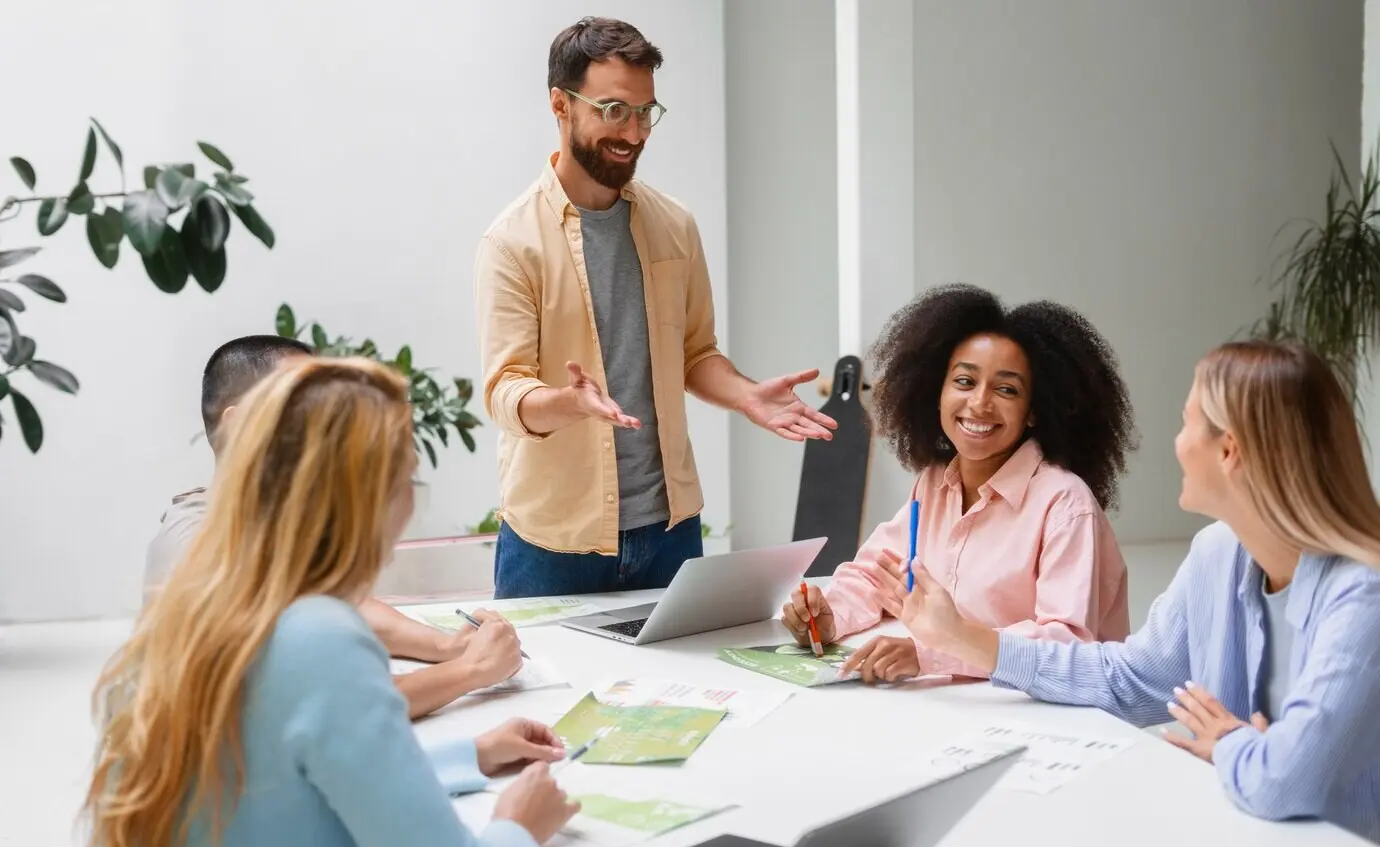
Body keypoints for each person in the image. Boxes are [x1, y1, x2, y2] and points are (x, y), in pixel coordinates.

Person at [81, 357, 579, 847]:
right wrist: (517, 827)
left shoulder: (204, 602)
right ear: (365, 497)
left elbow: (291, 781)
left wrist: (472, 756)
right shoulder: (321, 641)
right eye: (407, 475)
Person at [892, 340, 1380, 842]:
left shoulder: (1365, 595)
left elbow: (1285, 781)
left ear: (1228, 451)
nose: (1177, 442)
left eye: (1187, 423)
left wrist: (1228, 744)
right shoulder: (1216, 554)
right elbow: (1131, 680)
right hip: (1245, 846)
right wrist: (963, 637)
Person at [476, 16, 837, 599]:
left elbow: (695, 352)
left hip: (670, 530)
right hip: (554, 542)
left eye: (645, 112)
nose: (634, 132)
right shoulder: (511, 242)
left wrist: (746, 395)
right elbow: (505, 392)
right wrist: (568, 403)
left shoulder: (674, 224)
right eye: (614, 110)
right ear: (561, 105)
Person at [144, 335, 522, 719]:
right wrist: (471, 670)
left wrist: (448, 647)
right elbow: (325, 704)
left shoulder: (264, 523)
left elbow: (338, 603)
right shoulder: (197, 547)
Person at [781, 285, 1137, 682]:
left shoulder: (1066, 505)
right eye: (965, 381)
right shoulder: (933, 484)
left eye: (1006, 389)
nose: (980, 403)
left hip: (1048, 712)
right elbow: (873, 576)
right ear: (936, 392)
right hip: (957, 705)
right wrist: (829, 616)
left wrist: (933, 655)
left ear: (1034, 411)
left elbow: (1066, 645)